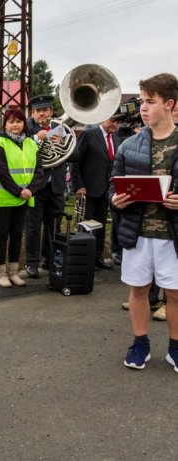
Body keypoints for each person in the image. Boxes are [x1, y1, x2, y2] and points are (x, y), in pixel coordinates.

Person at [109, 73, 178, 374]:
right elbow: (114, 186)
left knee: (175, 294)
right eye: (142, 101)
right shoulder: (129, 145)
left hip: (172, 236)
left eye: (151, 102)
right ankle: (140, 343)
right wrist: (116, 200)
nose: (143, 108)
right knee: (138, 290)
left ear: (170, 104)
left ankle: (175, 348)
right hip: (137, 233)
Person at [0, 108, 44, 288]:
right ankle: (1, 272)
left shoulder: (31, 144)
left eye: (18, 121)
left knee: (17, 234)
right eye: (11, 122)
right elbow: (1, 172)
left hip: (24, 197)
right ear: (5, 124)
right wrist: (19, 191)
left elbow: (39, 170)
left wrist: (31, 190)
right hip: (3, 198)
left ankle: (14, 271)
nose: (15, 125)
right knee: (2, 234)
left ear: (24, 123)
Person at [71, 114, 123, 269]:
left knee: (99, 226)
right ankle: (84, 259)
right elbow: (75, 161)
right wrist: (78, 185)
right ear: (103, 119)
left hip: (106, 191)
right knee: (86, 225)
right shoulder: (88, 134)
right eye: (113, 120)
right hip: (87, 189)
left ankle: (97, 257)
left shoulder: (117, 139)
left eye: (118, 122)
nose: (115, 124)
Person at [24, 95, 67, 279]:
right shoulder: (26, 128)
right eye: (39, 110)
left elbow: (72, 155)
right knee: (33, 226)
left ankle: (49, 259)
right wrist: (35, 138)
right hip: (35, 185)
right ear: (32, 113)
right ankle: (31, 263)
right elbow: (19, 148)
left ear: (51, 111)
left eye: (46, 110)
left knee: (54, 226)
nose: (43, 114)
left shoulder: (60, 128)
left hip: (56, 185)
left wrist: (62, 144)